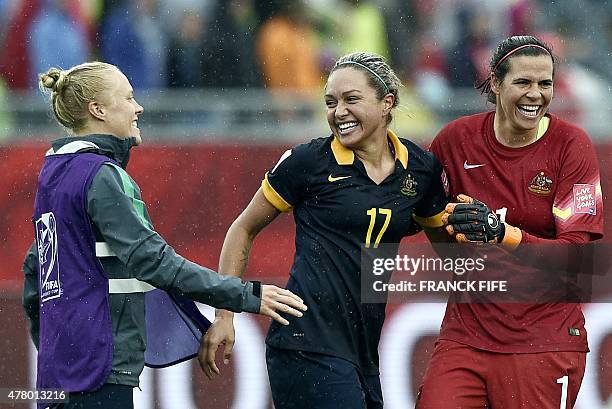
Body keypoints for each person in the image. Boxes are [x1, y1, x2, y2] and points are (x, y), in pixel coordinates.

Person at [22, 61, 307, 409]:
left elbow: (34, 278)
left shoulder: (52, 175)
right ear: (97, 110)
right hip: (99, 370)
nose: (138, 107)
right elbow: (152, 260)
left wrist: (59, 344)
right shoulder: (101, 174)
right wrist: (244, 295)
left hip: (58, 374)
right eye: (127, 98)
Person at [200, 51, 449, 409]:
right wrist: (224, 314)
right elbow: (242, 228)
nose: (338, 112)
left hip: (362, 353)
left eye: (351, 99)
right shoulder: (309, 162)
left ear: (386, 103)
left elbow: (452, 253)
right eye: (330, 102)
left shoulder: (420, 171)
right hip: (304, 343)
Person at [417, 35, 604, 408]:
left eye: (544, 83)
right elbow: (432, 221)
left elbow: (577, 259)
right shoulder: (455, 141)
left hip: (544, 339)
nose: (535, 94)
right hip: (466, 336)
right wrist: (446, 227)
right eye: (523, 82)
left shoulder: (572, 146)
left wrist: (503, 234)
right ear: (496, 83)